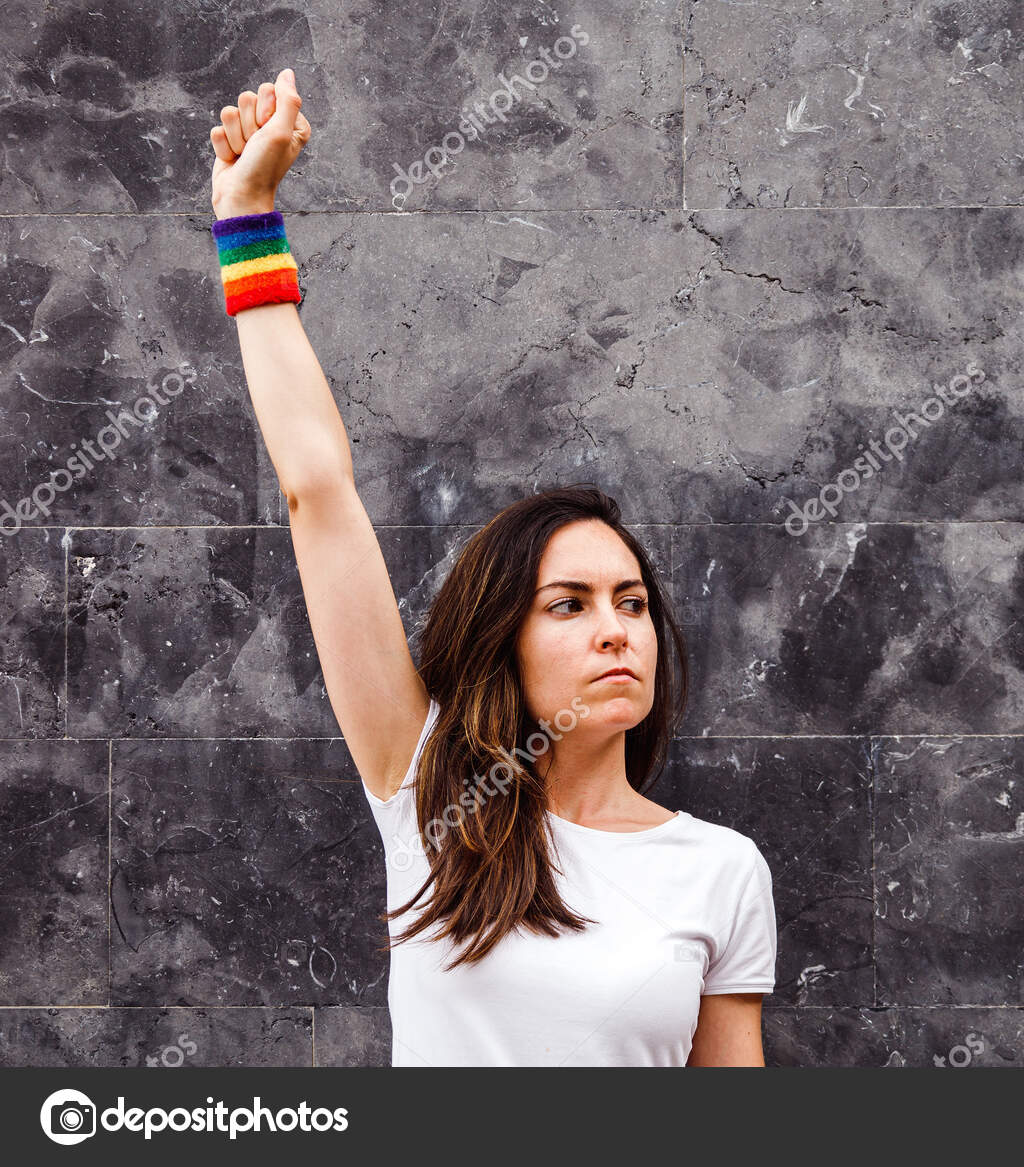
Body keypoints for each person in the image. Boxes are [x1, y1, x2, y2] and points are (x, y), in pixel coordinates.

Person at [206, 69, 777, 1066]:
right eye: (570, 604)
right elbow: (318, 490)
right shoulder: (424, 791)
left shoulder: (720, 871)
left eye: (632, 603)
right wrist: (247, 217)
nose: (616, 628)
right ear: (503, 640)